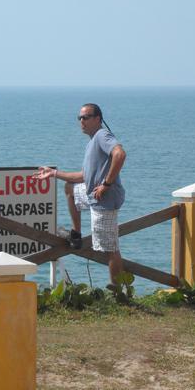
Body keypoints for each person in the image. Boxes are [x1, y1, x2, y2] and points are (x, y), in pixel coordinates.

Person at [34, 103, 126, 284]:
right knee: (70, 188)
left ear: (98, 119)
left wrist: (106, 184)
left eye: (86, 117)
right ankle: (76, 233)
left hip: (104, 200)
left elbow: (120, 154)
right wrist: (53, 173)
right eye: (79, 118)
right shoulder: (92, 142)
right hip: (93, 195)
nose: (81, 121)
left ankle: (119, 294)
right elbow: (84, 176)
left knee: (111, 250)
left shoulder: (102, 135)